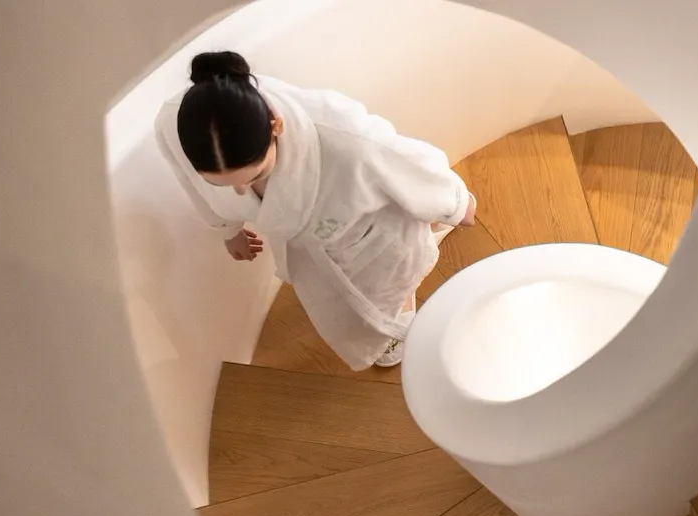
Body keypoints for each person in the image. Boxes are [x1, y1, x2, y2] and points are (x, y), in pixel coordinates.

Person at [156, 51, 477, 370]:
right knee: (336, 306)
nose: (239, 192)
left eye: (254, 176)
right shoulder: (176, 125)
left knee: (390, 283)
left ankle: (396, 314)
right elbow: (192, 187)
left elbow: (409, 163)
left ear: (276, 127)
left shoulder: (344, 136)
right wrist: (228, 230)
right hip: (310, 248)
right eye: (222, 184)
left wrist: (456, 203)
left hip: (372, 231)